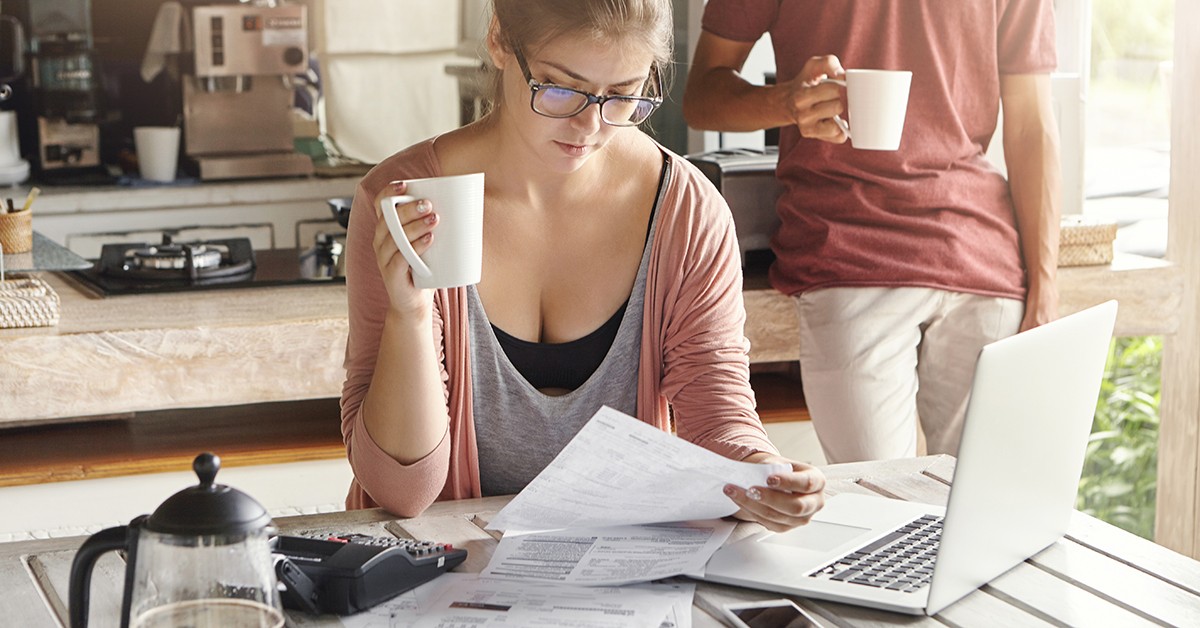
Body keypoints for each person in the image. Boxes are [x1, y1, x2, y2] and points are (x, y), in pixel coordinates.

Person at [340, 0, 825, 532]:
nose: (589, 127)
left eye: (622, 96)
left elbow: (717, 409)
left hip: (616, 574)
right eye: (560, 88)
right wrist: (408, 315)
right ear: (500, 39)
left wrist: (761, 473)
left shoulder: (685, 209)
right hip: (438, 576)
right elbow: (401, 492)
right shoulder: (406, 202)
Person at [682, 1, 1062, 463]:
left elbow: (1032, 125)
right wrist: (786, 102)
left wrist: (1045, 291)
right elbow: (701, 96)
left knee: (989, 501)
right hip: (848, 255)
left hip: (984, 259)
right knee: (881, 506)